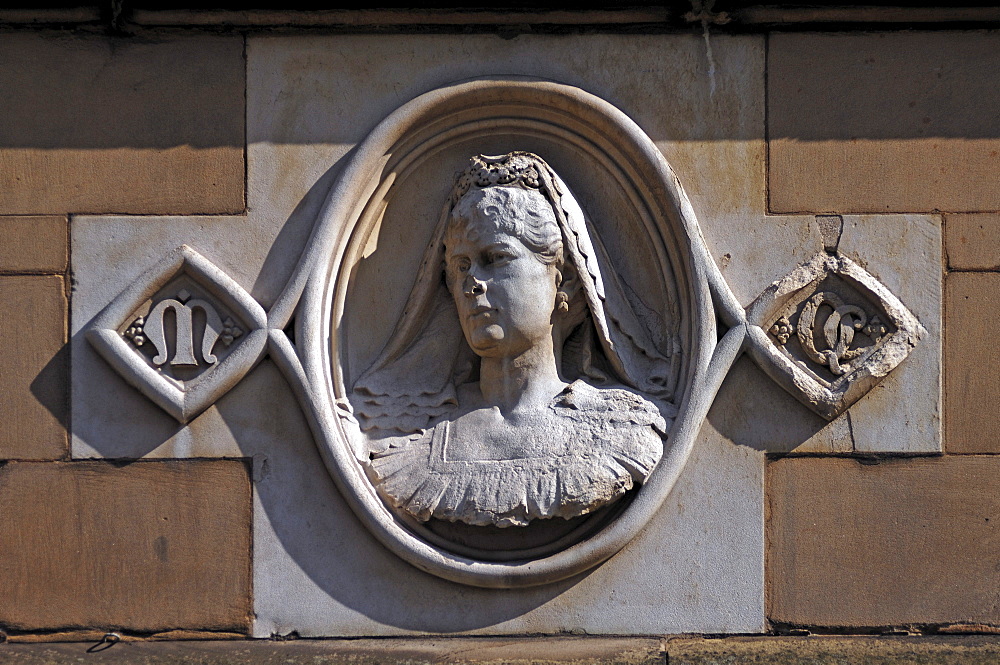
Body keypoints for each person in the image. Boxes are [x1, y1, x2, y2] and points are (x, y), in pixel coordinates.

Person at [351, 152, 679, 528]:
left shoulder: (625, 431)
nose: (472, 283)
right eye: (461, 266)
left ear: (565, 280)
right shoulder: (409, 444)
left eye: (496, 258)